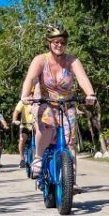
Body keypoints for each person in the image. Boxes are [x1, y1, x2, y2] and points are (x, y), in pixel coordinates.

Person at [19, 23, 96, 190]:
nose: (59, 45)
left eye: (62, 42)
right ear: (49, 42)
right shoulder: (40, 60)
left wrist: (90, 94)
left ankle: (70, 181)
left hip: (66, 104)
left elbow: (82, 79)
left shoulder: (72, 61)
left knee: (70, 141)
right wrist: (25, 95)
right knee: (47, 127)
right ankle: (39, 157)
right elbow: (31, 79)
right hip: (44, 102)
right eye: (55, 42)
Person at [12, 93, 36, 169]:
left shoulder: (38, 102)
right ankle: (22, 158)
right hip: (25, 125)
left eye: (33, 94)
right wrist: (14, 120)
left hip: (35, 126)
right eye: (30, 94)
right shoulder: (23, 102)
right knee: (22, 140)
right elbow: (16, 111)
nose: (31, 96)